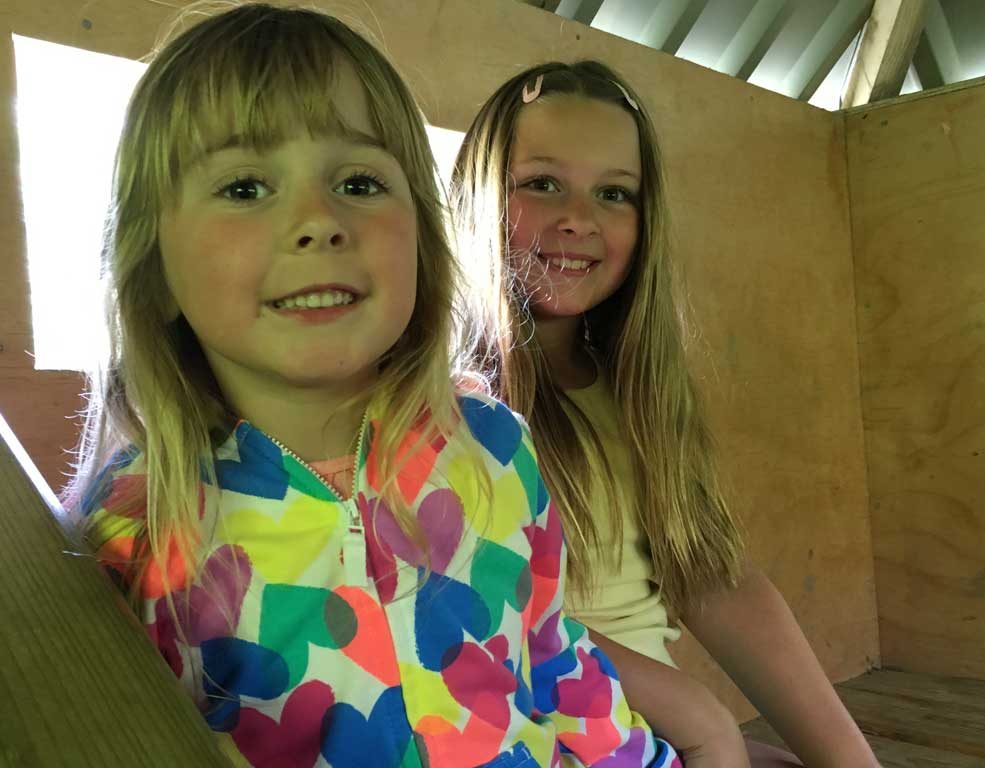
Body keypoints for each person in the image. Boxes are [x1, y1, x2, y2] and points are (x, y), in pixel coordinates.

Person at [64, 10, 684, 767]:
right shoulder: (130, 533)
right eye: (245, 186)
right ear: (153, 268)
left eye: (358, 182)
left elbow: (559, 667)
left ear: (422, 241)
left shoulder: (494, 448)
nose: (318, 220)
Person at [450, 60, 881, 768]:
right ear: (477, 192)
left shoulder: (633, 392)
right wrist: (700, 719)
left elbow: (712, 576)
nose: (578, 218)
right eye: (542, 183)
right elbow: (485, 625)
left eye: (614, 193)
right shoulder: (448, 411)